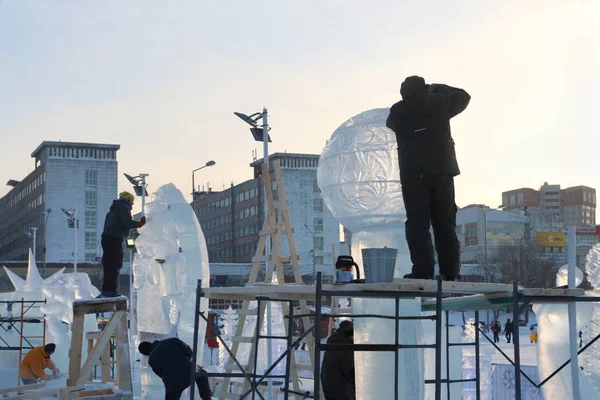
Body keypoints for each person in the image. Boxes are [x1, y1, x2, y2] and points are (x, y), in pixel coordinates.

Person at [386, 76, 471, 281]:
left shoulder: (397, 111)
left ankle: (423, 271)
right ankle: (450, 272)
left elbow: (390, 123)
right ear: (424, 88)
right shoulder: (439, 103)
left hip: (414, 174)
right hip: (442, 170)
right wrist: (437, 88)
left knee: (417, 223)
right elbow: (463, 96)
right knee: (444, 223)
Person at [100, 191, 146, 297]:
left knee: (109, 264)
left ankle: (107, 289)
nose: (133, 204)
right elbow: (127, 223)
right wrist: (139, 224)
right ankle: (110, 291)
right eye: (132, 201)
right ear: (128, 200)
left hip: (107, 238)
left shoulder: (112, 211)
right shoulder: (123, 207)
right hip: (114, 238)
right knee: (115, 264)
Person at [138, 338, 212, 400]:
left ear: (146, 354)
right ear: (150, 343)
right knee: (201, 374)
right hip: (189, 372)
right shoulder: (171, 340)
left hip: (173, 384)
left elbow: (161, 375)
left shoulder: (151, 361)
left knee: (171, 396)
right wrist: (186, 362)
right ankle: (207, 397)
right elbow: (188, 351)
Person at [321, 320, 355, 400]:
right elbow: (351, 372)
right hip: (340, 393)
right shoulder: (342, 347)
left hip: (331, 390)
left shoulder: (335, 342)